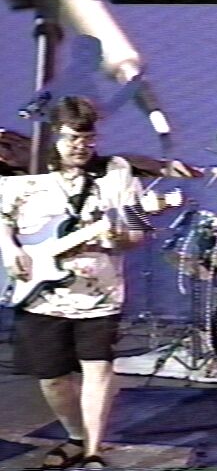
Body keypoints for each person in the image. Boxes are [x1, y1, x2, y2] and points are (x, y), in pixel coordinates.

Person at [0, 96, 149, 470]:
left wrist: (118, 237)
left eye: (88, 139)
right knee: (52, 379)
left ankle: (94, 451)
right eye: (72, 138)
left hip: (100, 293)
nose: (81, 146)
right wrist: (9, 249)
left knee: (97, 369)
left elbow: (137, 232)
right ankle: (76, 437)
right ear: (54, 134)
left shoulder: (115, 172)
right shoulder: (28, 170)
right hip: (39, 292)